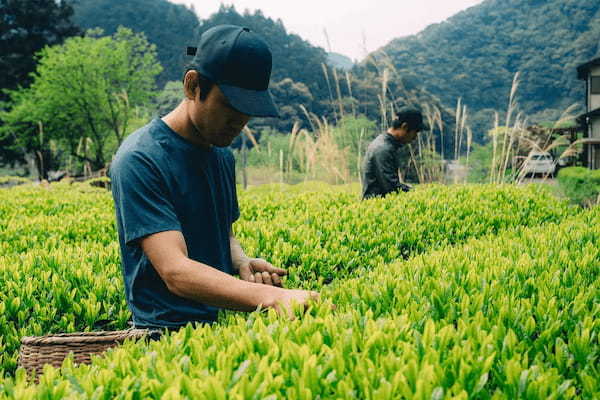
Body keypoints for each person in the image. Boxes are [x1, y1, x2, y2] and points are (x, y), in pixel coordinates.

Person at [109, 25, 319, 330]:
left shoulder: (222, 154)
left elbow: (224, 233)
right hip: (163, 334)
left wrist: (241, 261)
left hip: (219, 328)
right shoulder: (141, 159)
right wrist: (272, 297)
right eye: (231, 106)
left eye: (250, 110)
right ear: (193, 86)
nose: (240, 122)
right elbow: (175, 271)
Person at [361, 109, 428, 199]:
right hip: (376, 206)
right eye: (415, 132)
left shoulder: (386, 144)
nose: (415, 137)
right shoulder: (383, 149)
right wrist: (417, 192)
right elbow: (390, 187)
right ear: (404, 127)